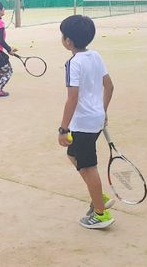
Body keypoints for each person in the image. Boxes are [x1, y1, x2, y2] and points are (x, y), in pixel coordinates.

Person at [58, 15, 116, 229]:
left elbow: (72, 98)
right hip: (95, 120)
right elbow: (109, 86)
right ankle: (98, 195)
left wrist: (63, 129)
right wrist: (103, 111)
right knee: (73, 155)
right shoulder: (96, 56)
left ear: (68, 41)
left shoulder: (73, 63)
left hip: (82, 124)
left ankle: (100, 213)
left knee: (88, 166)